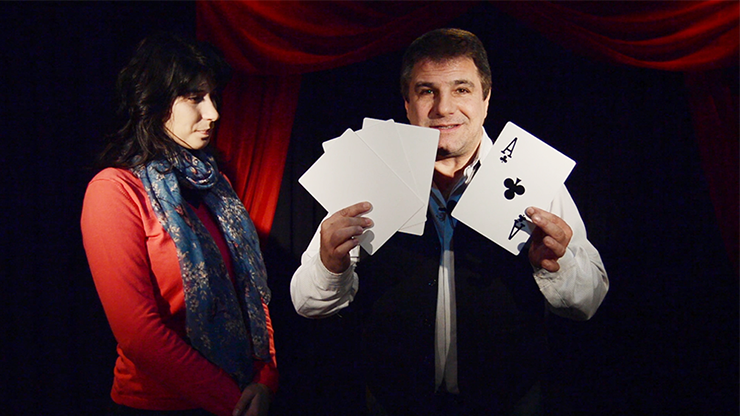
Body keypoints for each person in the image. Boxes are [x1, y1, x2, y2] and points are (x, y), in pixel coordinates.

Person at [290, 28, 609, 415]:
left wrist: (556, 266)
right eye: (427, 91)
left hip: (509, 402)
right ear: (407, 104)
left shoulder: (535, 179)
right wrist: (330, 265)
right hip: (393, 403)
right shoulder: (370, 174)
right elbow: (307, 303)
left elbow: (588, 301)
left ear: (485, 99)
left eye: (461, 89)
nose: (444, 108)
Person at [81, 33, 277, 416]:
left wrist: (265, 379)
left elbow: (253, 293)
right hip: (158, 405)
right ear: (155, 102)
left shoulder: (215, 186)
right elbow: (138, 335)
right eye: (195, 98)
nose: (213, 113)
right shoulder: (115, 190)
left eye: (213, 97)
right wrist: (233, 402)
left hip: (239, 394)